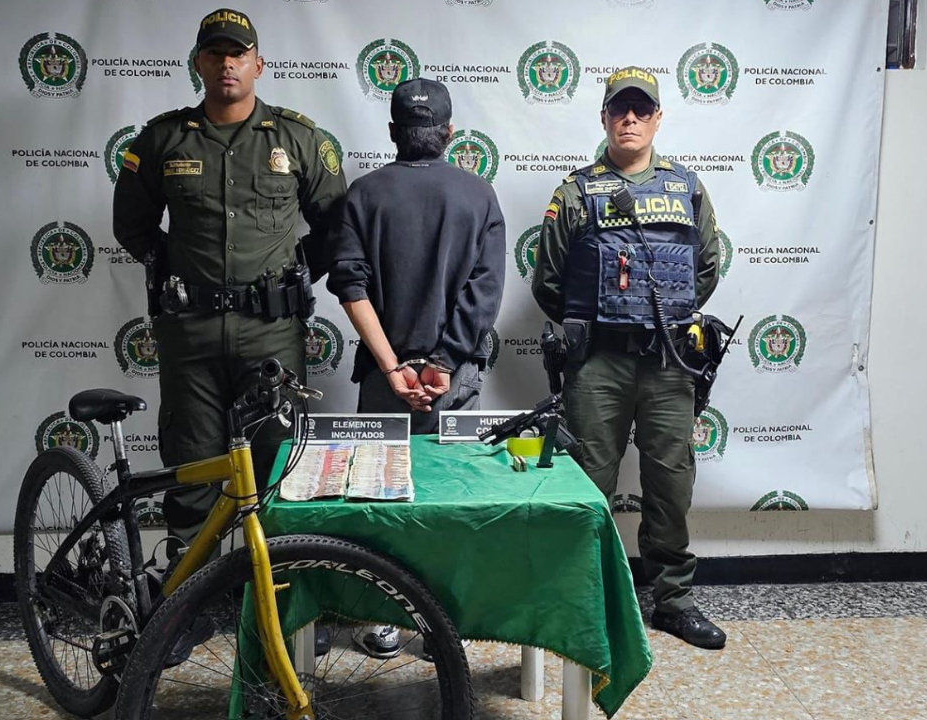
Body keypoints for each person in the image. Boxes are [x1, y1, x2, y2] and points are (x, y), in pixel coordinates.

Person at [113, 8, 346, 557]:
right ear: (197, 62)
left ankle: (279, 613)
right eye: (215, 53)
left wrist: (290, 276)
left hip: (271, 334)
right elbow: (134, 227)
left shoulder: (299, 138)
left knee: (276, 472)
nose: (226, 64)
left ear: (258, 64)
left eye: (238, 53)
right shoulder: (162, 140)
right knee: (192, 476)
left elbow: (335, 227)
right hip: (189, 335)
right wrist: (183, 277)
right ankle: (184, 618)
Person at [531, 67, 727, 649]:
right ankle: (584, 594)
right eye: (621, 109)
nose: (631, 119)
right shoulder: (574, 191)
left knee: (670, 481)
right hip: (598, 366)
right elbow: (550, 281)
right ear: (604, 118)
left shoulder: (687, 187)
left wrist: (661, 318)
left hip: (670, 364)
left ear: (658, 118)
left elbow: (707, 266)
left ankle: (671, 599)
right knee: (589, 479)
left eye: (642, 110)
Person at [327, 78, 505, 657]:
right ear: (450, 134)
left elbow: (350, 286)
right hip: (455, 382)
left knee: (381, 500)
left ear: (392, 133)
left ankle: (382, 617)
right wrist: (445, 363)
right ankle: (444, 620)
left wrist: (392, 368)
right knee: (451, 498)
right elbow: (485, 291)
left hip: (386, 381)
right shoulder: (479, 195)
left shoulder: (362, 194)